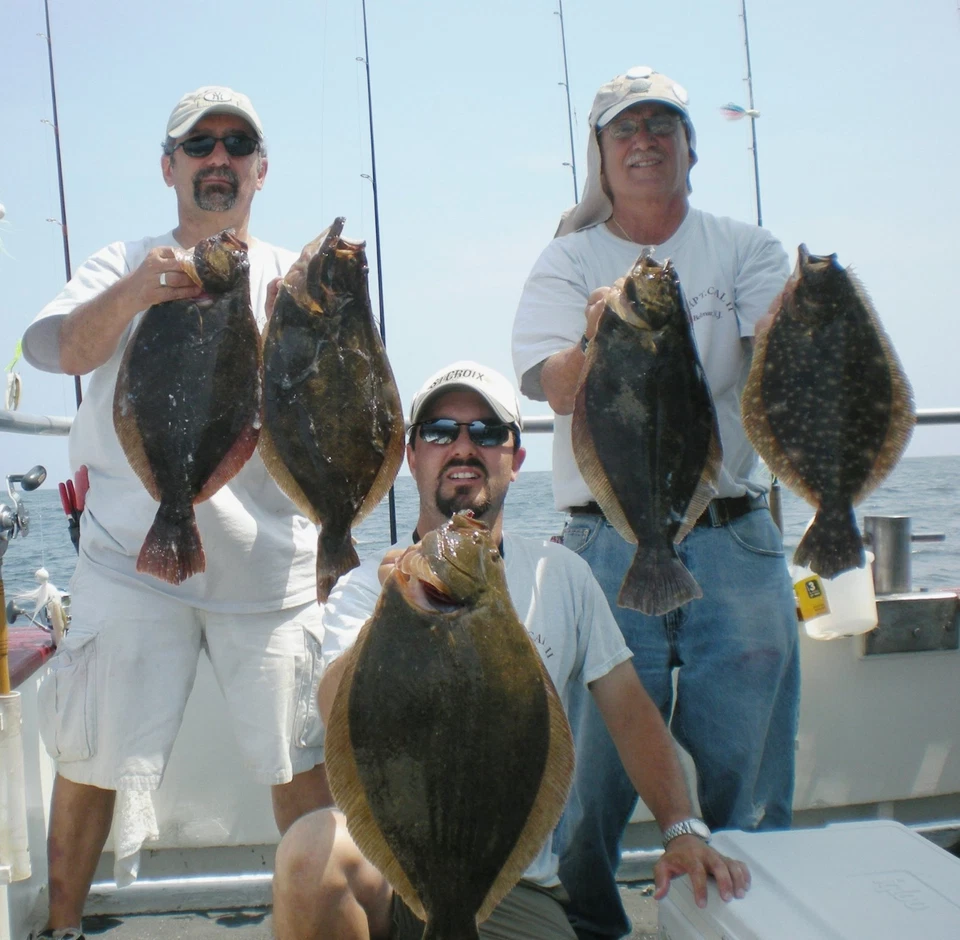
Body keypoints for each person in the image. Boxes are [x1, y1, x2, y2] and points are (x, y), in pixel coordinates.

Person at [271, 361, 750, 940]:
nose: (464, 447)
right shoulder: (365, 587)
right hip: (391, 868)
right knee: (307, 854)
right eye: (441, 431)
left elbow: (630, 713)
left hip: (513, 882)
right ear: (413, 456)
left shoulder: (562, 576)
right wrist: (390, 613)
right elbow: (334, 709)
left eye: (489, 432)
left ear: (517, 460)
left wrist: (682, 829)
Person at [21, 86, 331, 940]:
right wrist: (130, 295)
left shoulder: (291, 279)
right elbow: (54, 351)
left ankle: (328, 915)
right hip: (130, 551)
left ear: (261, 169)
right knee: (89, 757)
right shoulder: (125, 259)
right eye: (200, 145)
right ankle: (60, 928)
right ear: (170, 167)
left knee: (298, 754)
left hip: (267, 568)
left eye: (238, 144)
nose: (218, 158)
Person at [511, 67, 800, 939]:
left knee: (744, 769)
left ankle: (741, 925)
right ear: (600, 155)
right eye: (624, 129)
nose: (645, 142)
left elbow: (778, 360)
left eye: (662, 126)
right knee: (588, 781)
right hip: (608, 541)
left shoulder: (745, 247)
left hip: (731, 534)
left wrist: (808, 319)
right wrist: (601, 333)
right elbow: (555, 390)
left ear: (689, 147)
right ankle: (591, 927)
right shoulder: (568, 259)